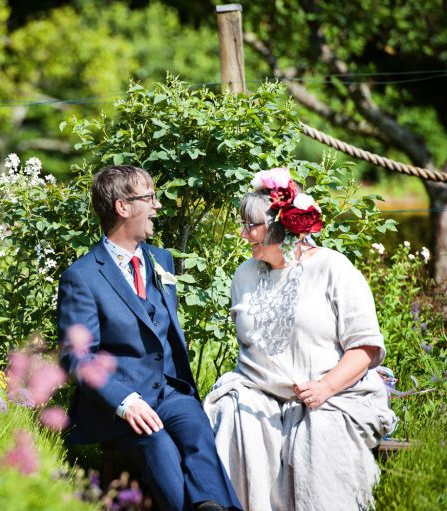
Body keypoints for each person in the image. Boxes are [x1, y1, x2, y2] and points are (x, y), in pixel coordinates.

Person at [203, 167, 398, 511]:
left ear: (280, 226)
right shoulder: (245, 274)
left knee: (316, 435)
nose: (242, 233)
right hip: (259, 391)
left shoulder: (333, 268)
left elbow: (365, 347)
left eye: (252, 226)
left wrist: (325, 387)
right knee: (235, 413)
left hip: (333, 393)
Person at [57, 165, 242, 511]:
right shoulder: (81, 277)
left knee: (196, 429)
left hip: (169, 392)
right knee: (157, 444)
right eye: (150, 197)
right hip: (118, 404)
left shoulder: (161, 260)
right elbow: (77, 357)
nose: (158, 206)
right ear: (122, 207)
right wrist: (124, 401)